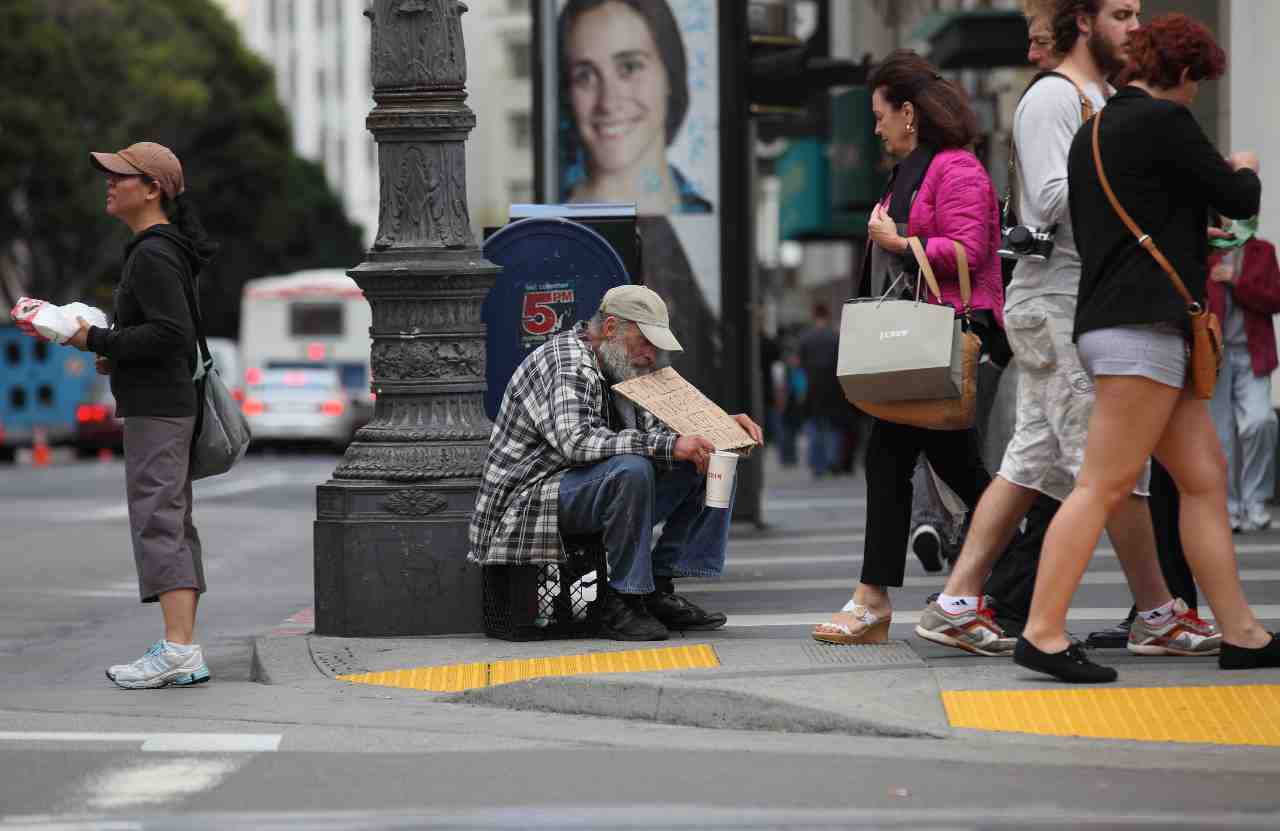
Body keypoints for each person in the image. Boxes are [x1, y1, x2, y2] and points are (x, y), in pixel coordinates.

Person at [915, 0, 1217, 661]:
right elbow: (1050, 197)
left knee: (1033, 461)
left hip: (1071, 298)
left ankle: (958, 600)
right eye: (1121, 13)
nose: (1135, 26)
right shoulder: (1053, 99)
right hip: (1058, 298)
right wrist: (1136, 198)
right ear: (1083, 23)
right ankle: (1159, 613)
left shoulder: (1101, 95)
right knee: (1111, 471)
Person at [1016, 13, 1278, 683]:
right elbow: (1236, 195)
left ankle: (1241, 631)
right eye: (1199, 82)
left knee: (1203, 478)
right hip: (1146, 329)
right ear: (1183, 75)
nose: (1198, 94)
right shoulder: (1166, 122)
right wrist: (1246, 166)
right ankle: (1042, 633)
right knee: (1102, 483)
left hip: (1109, 320)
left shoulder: (1093, 132)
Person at [811, 50, 1005, 645]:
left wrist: (901, 238)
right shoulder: (917, 171)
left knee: (889, 457)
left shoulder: (957, 170)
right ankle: (1020, 568)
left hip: (947, 334)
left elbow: (970, 252)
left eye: (880, 115)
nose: (876, 128)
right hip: (922, 338)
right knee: (960, 470)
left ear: (910, 113)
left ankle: (873, 601)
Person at [468, 285, 763, 641]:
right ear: (610, 329)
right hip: (529, 501)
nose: (651, 355)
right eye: (645, 343)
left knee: (707, 457)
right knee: (632, 469)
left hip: (582, 486)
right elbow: (577, 443)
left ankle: (657, 585)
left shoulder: (622, 367)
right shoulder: (566, 362)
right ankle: (622, 600)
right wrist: (672, 445)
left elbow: (666, 432)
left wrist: (720, 429)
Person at [66, 141, 217, 689]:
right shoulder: (160, 248)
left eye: (119, 176)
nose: (108, 183)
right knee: (171, 520)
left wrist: (93, 338)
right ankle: (181, 648)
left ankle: (179, 650)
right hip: (167, 403)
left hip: (159, 410)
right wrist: (115, 351)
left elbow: (170, 335)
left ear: (152, 189)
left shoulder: (152, 253)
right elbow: (163, 335)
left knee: (159, 520)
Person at [558, 0, 710, 215]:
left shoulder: (712, 218)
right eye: (585, 76)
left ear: (669, 74)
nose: (608, 103)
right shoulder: (539, 229)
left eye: (629, 67)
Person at [1207, 216, 1280, 533]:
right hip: (1214, 356)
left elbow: (1274, 299)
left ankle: (1257, 500)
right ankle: (1228, 506)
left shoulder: (1262, 251)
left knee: (1261, 421)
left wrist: (1236, 280)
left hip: (1253, 352)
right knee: (1219, 435)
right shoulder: (1201, 251)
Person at [797, 303, 842, 479]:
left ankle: (816, 465)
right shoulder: (834, 337)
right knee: (832, 428)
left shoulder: (805, 338)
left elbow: (799, 366)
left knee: (814, 427)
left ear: (813, 315)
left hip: (812, 388)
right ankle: (832, 461)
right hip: (833, 388)